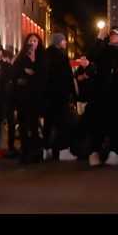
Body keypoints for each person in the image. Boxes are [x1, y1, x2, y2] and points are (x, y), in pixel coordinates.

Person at [87, 26, 118, 166]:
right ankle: (94, 152)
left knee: (117, 124)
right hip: (101, 93)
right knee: (98, 123)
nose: (113, 37)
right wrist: (99, 39)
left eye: (116, 35)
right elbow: (91, 56)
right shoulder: (104, 48)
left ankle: (115, 152)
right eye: (111, 35)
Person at [42, 33, 78, 162]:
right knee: (63, 123)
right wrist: (73, 94)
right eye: (63, 40)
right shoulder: (61, 56)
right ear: (58, 42)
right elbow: (67, 77)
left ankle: (46, 150)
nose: (66, 42)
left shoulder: (45, 55)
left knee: (48, 122)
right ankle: (64, 150)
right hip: (60, 95)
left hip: (47, 95)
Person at [12, 33, 46, 164]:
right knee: (23, 126)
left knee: (34, 125)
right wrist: (24, 74)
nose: (32, 43)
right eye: (30, 40)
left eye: (35, 41)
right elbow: (15, 74)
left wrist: (33, 62)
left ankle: (36, 152)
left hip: (35, 98)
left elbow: (42, 75)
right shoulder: (20, 58)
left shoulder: (42, 57)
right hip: (22, 98)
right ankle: (25, 152)